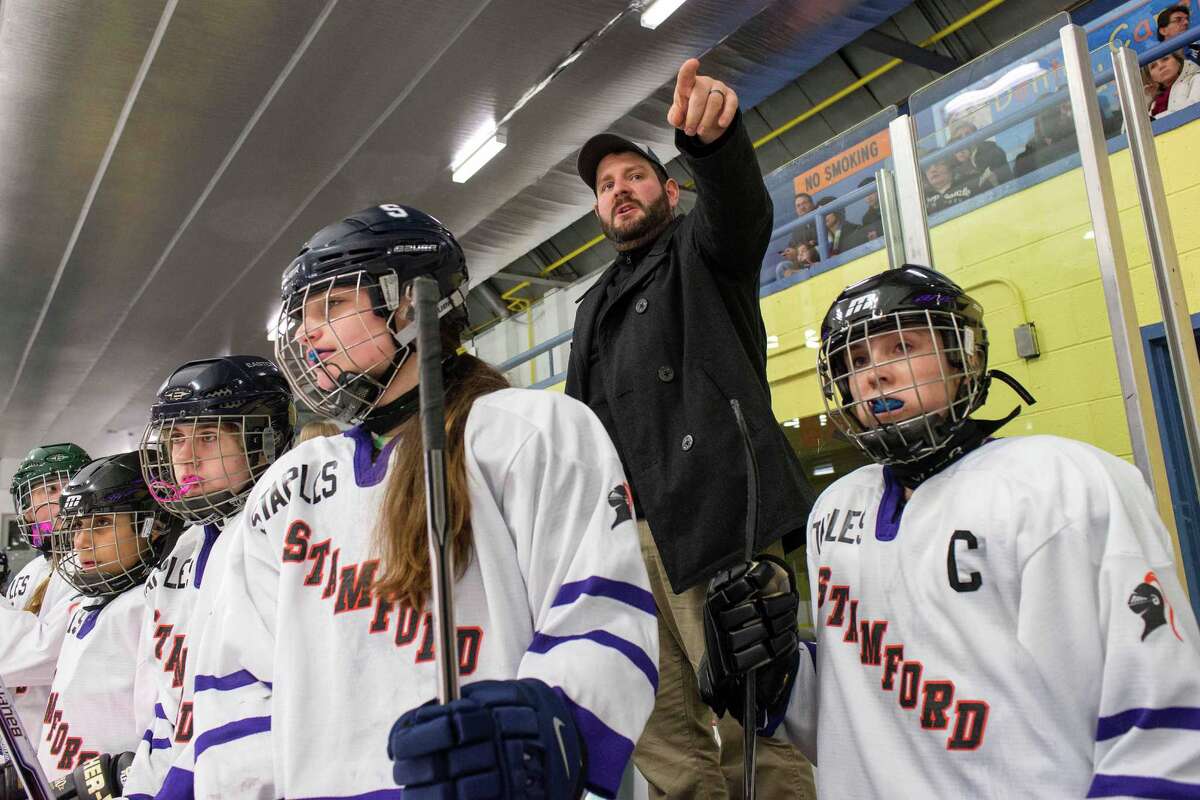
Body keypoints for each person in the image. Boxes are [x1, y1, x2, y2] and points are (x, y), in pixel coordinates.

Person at [188, 204, 657, 799]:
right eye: (303, 314)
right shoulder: (286, 489)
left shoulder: (528, 431)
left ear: (411, 303)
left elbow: (599, 617)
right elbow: (236, 679)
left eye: (331, 306)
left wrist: (535, 747)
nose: (308, 332)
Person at [699, 265, 1200, 796]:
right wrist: (777, 679)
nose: (876, 375)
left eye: (902, 347)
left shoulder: (1066, 486)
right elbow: (862, 718)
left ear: (964, 360)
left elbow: (1159, 723)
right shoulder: (834, 511)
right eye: (857, 361)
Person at [568, 57, 815, 799]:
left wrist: (715, 146)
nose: (619, 190)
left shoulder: (706, 252)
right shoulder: (589, 308)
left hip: (723, 522)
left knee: (754, 721)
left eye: (634, 176)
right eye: (606, 186)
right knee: (659, 723)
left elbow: (740, 210)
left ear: (668, 190)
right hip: (632, 542)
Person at [67, 356, 297, 800]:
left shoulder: (284, 533)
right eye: (174, 440)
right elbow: (168, 707)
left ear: (262, 441)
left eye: (207, 437)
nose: (185, 457)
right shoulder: (182, 552)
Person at [40, 451, 183, 780]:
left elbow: (164, 731)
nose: (81, 542)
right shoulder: (84, 604)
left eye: (101, 524)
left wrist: (125, 777)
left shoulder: (149, 608)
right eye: (78, 527)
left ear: (155, 525)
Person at [4, 443, 92, 737]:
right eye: (50, 490)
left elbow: (42, 655)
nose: (63, 498)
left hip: (64, 733)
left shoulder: (91, 563)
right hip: (22, 733)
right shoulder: (31, 573)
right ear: (27, 512)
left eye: (68, 486)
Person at [1013, 101, 1075, 178]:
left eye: (1051, 116)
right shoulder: (1024, 159)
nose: (1046, 123)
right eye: (1043, 118)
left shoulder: (1073, 139)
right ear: (1036, 122)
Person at [948, 121, 1011, 191]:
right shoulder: (957, 161)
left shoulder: (990, 149)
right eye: (959, 137)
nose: (964, 138)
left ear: (976, 135)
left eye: (967, 134)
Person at [1147, 52, 1200, 118]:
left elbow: (1194, 107)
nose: (1161, 66)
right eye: (1153, 66)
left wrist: (1156, 119)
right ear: (1152, 77)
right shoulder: (1154, 103)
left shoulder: (1197, 78)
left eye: (1165, 59)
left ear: (1178, 62)